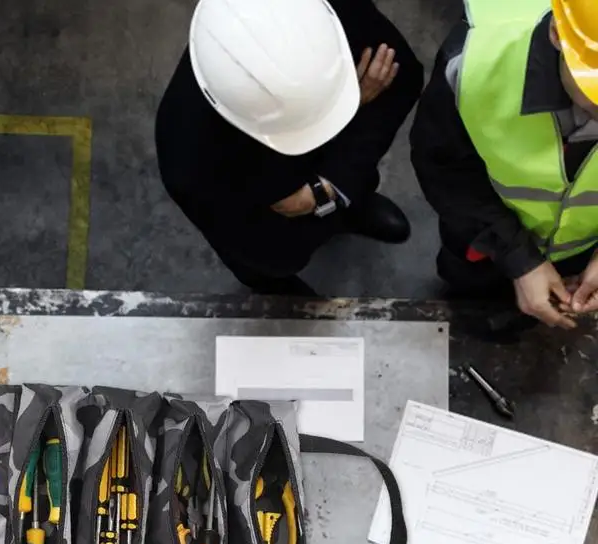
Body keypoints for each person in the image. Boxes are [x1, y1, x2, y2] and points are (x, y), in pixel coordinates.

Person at [155, 0, 424, 295]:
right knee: (274, 260)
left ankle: (347, 209)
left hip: (324, 175)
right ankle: (272, 285)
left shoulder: (320, 14)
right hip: (259, 204)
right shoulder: (186, 156)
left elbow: (403, 77)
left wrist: (333, 185)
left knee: (347, 190)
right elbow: (250, 243)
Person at [411, 0, 598, 330]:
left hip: (583, 253)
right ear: (557, 34)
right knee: (472, 310)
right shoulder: (473, 65)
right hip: (484, 243)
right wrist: (519, 259)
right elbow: (444, 168)